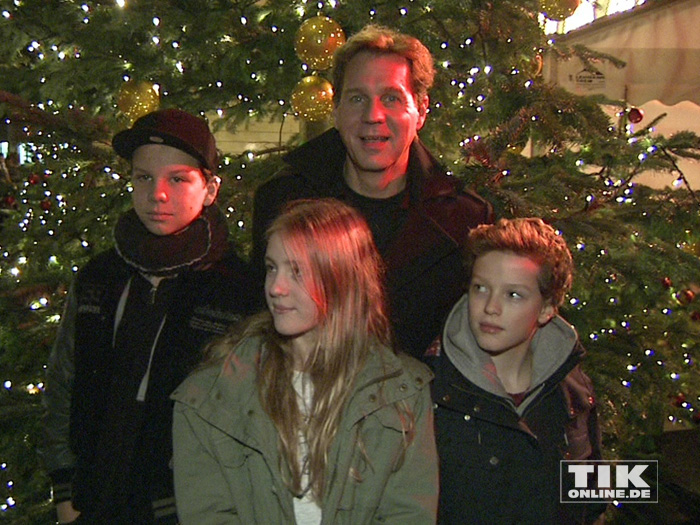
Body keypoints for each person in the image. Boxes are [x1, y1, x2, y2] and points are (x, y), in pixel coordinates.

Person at [40, 109, 258, 524]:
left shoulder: (238, 291)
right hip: (92, 501)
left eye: (178, 179)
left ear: (210, 188)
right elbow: (64, 383)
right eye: (144, 177)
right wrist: (66, 488)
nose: (158, 194)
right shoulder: (100, 277)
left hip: (187, 509)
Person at [172, 198, 438, 524]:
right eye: (272, 267)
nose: (276, 287)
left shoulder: (400, 392)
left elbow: (408, 514)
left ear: (342, 279)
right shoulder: (212, 394)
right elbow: (208, 514)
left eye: (297, 271)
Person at [252, 24, 493, 361]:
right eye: (357, 98)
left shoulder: (465, 221)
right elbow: (259, 326)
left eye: (391, 98)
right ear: (336, 109)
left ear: (421, 111)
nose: (372, 116)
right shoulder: (282, 201)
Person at [428, 218, 605, 524]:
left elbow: (592, 498)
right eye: (481, 288)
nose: (491, 307)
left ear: (548, 308)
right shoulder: (431, 391)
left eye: (513, 295)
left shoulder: (575, 390)